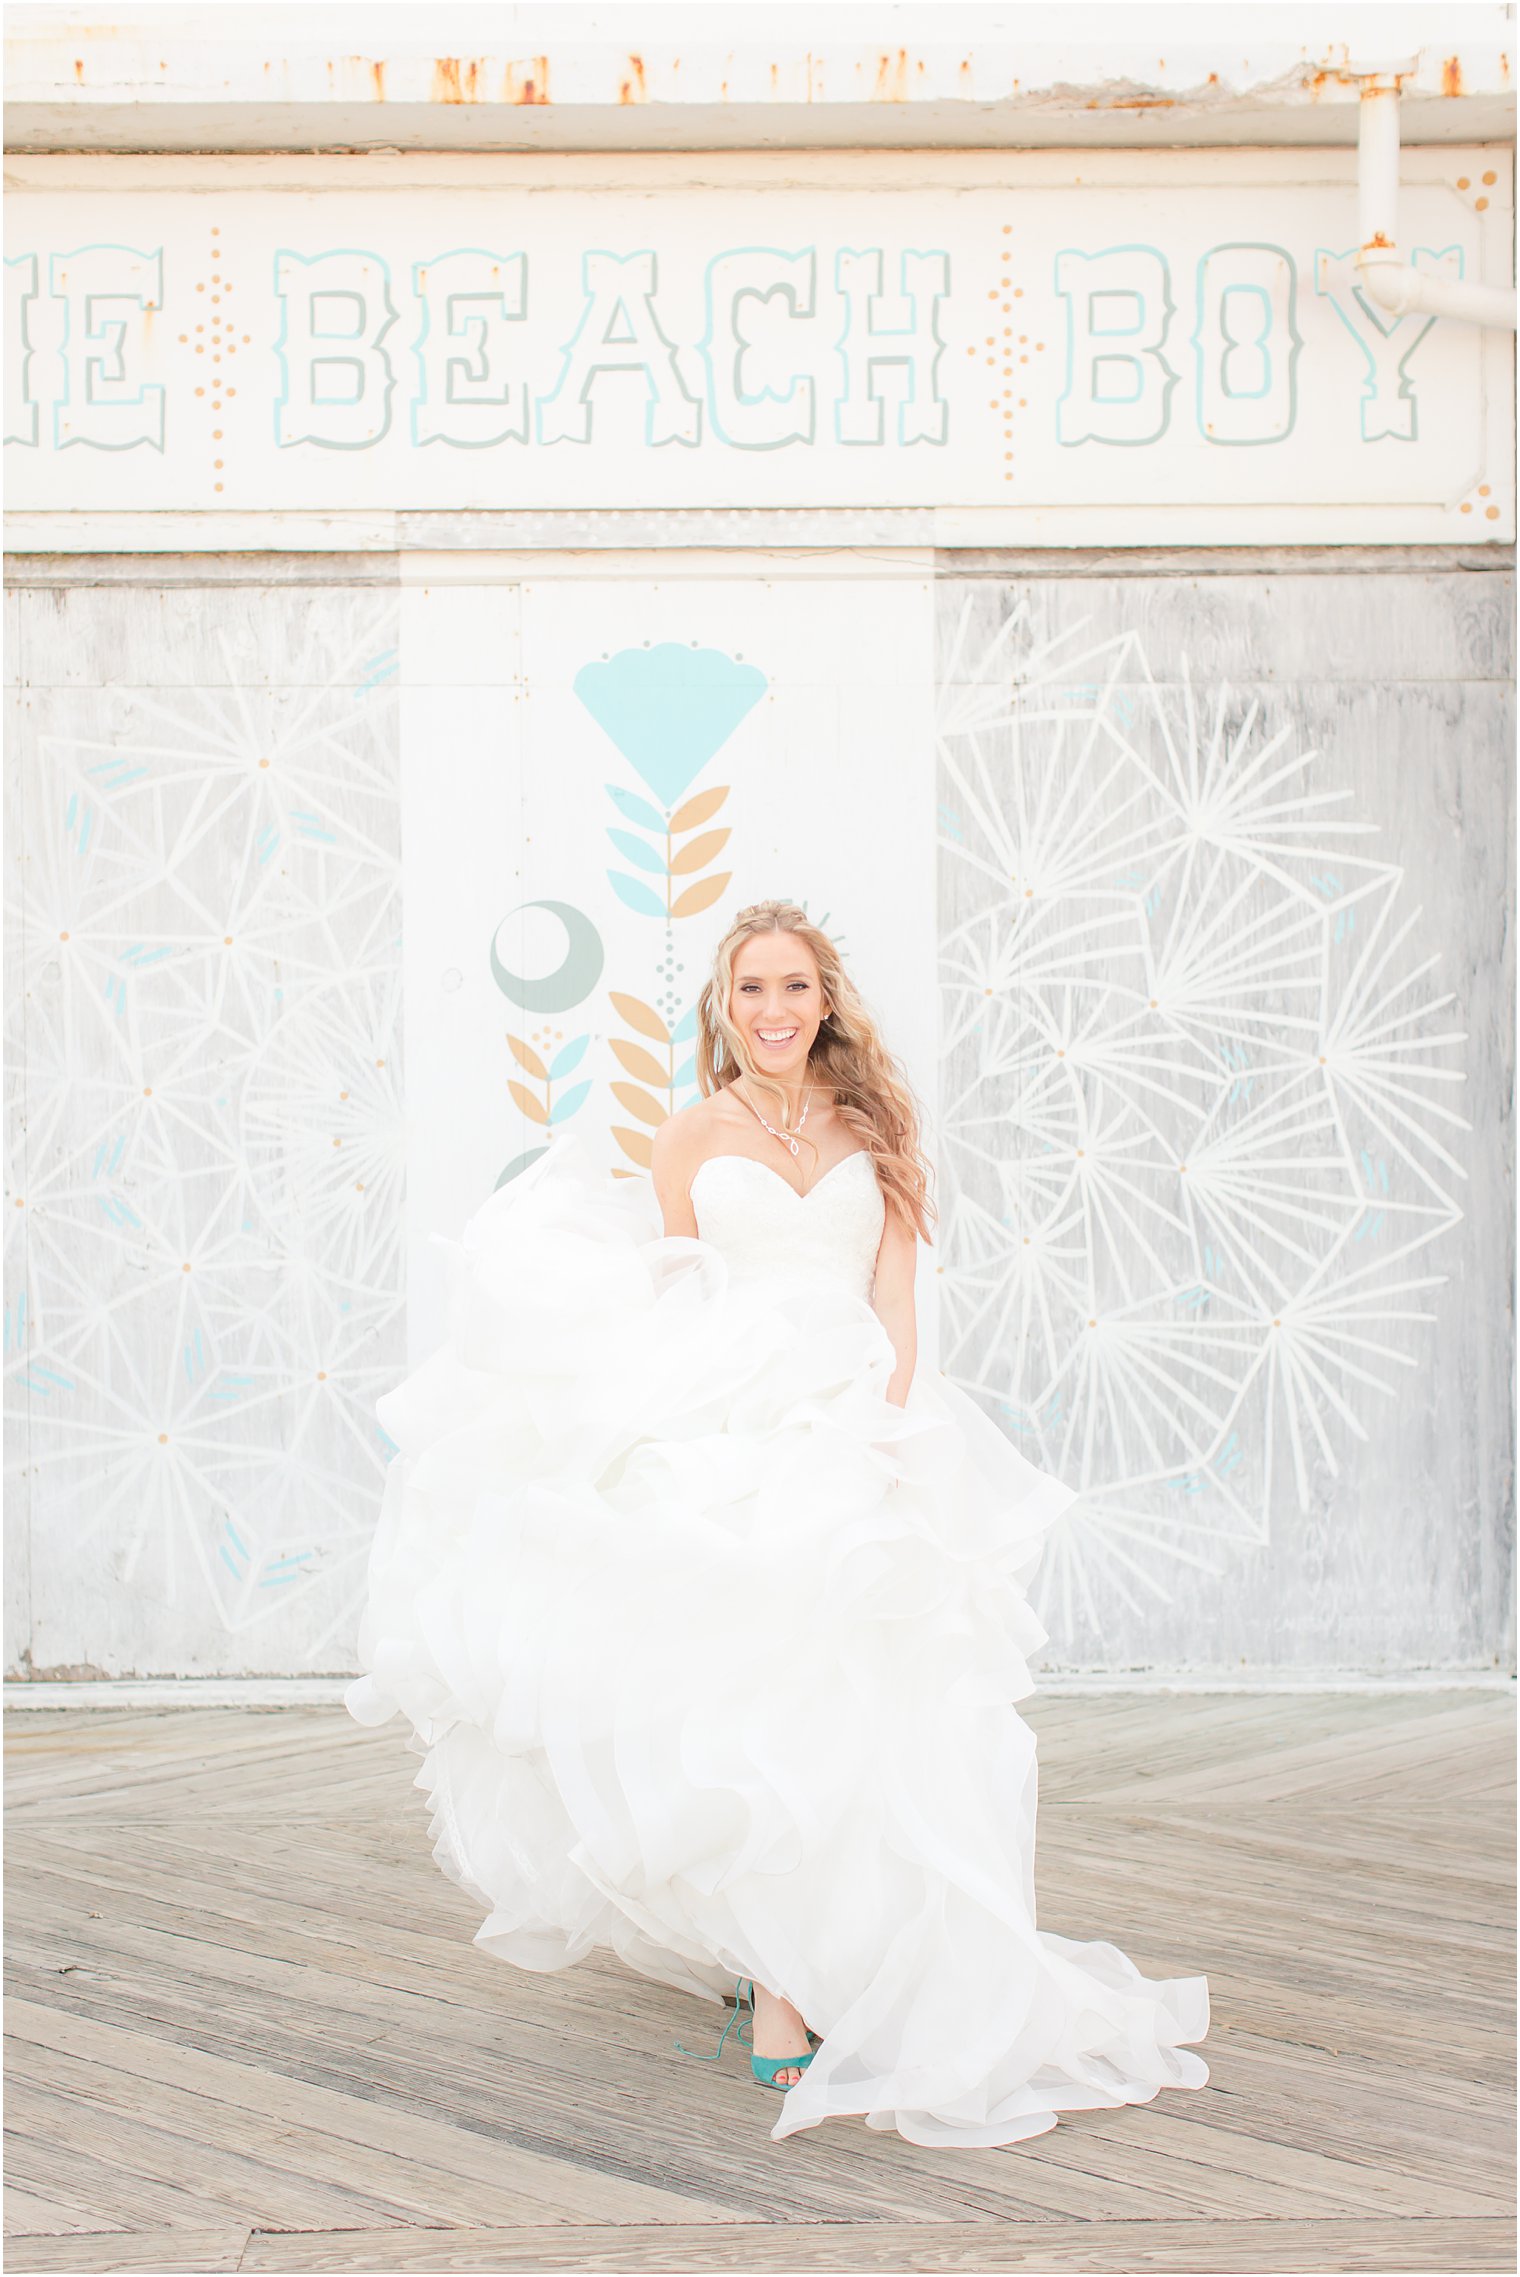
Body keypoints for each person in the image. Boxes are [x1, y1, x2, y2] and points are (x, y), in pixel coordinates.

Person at [345, 898, 1210, 2146]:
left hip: (860, 1431)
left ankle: (834, 1955)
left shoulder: (876, 1129)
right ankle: (783, 1980)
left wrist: (891, 1431)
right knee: (756, 1710)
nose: (771, 1012)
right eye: (750, 989)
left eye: (793, 988)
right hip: (740, 1435)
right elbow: (676, 1299)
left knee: (864, 1708)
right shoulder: (690, 1136)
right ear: (723, 1006)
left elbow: (899, 1303)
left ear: (825, 1002)